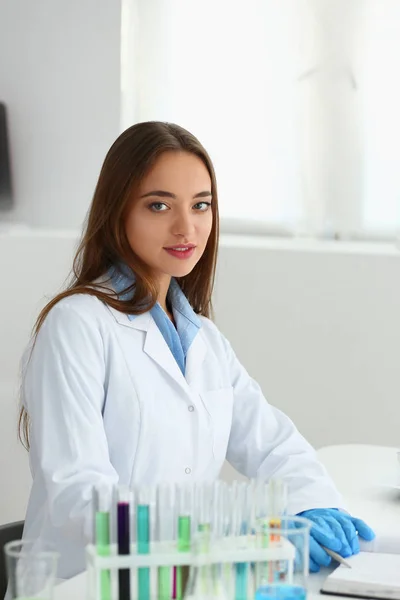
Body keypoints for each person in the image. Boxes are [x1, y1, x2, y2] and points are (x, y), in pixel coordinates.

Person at [19, 121, 374, 580]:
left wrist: (314, 505)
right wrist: (231, 528)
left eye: (201, 205)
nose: (186, 227)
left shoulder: (202, 336)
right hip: (85, 585)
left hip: (180, 581)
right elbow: (80, 499)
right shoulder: (78, 324)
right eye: (159, 205)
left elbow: (272, 443)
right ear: (117, 211)